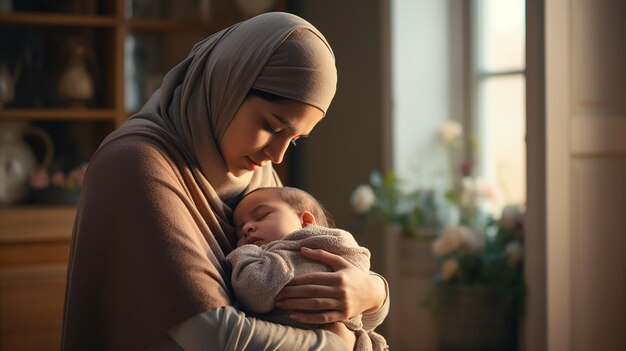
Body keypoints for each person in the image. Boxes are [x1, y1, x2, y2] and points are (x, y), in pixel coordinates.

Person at [61, 12, 389, 351]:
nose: (277, 156)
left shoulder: (251, 173)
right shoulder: (135, 163)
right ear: (230, 86)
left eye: (293, 140)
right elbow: (211, 335)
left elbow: (305, 285)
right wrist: (336, 344)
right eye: (273, 127)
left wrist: (374, 294)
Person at [227, 186, 389, 351]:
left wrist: (374, 292)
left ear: (306, 222)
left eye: (262, 216)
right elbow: (255, 295)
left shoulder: (337, 244)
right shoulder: (266, 260)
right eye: (239, 232)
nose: (247, 228)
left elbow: (364, 303)